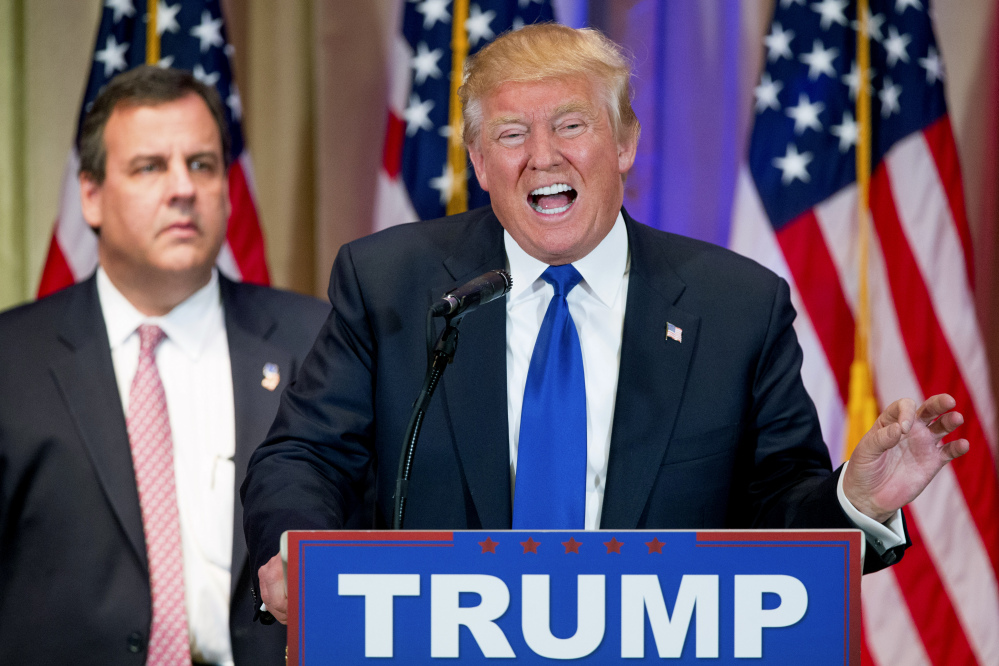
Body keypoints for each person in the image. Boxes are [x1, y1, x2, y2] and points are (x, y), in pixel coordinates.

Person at [241, 24, 968, 624]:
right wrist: (299, 555)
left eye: (570, 125)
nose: (542, 157)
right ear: (479, 162)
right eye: (510, 133)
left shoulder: (734, 305)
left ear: (622, 144)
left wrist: (857, 503)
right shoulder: (389, 282)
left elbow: (778, 512)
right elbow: (301, 457)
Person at [0, 66, 328, 665]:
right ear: (91, 195)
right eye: (150, 167)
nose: (183, 188)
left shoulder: (317, 341)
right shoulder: (11, 359)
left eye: (202, 165)